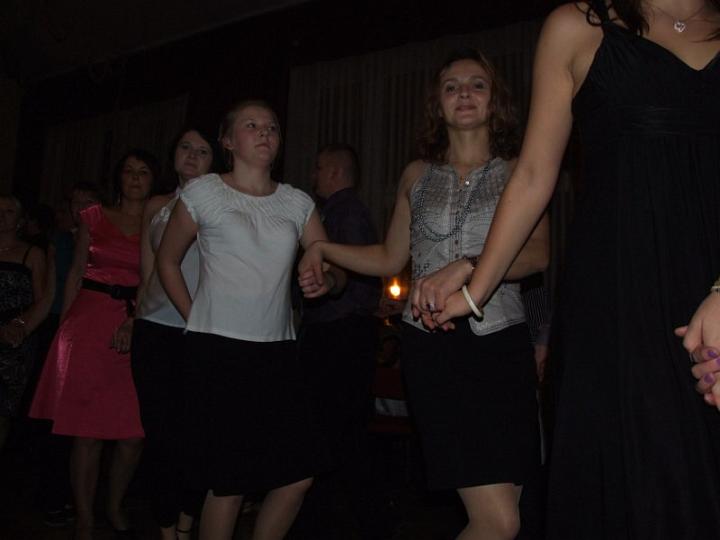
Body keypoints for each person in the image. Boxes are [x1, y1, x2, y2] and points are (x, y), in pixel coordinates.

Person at [427, 2, 720, 538]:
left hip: (712, 284)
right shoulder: (576, 26)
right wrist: (475, 288)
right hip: (617, 298)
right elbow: (534, 175)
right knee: (632, 487)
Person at [300, 49, 549, 540]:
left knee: (511, 514)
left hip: (504, 346)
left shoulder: (519, 170)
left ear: (495, 99)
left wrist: (469, 265)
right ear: (438, 103)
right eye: (451, 86)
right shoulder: (416, 174)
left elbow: (538, 254)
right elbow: (390, 258)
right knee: (499, 522)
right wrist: (323, 247)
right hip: (435, 346)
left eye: (477, 84)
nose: (464, 94)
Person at [156, 99, 344, 540]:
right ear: (227, 141)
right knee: (230, 482)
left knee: (298, 474)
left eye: (272, 127)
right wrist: (195, 318)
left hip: (278, 352)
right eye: (252, 125)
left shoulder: (296, 202)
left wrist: (326, 280)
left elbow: (334, 268)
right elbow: (167, 261)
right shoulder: (204, 192)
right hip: (216, 351)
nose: (264, 133)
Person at [30, 149, 157, 539]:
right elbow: (74, 274)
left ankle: (114, 505)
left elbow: (158, 279)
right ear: (118, 177)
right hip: (88, 321)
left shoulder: (160, 221)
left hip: (136, 320)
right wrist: (63, 330)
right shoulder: (93, 216)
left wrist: (136, 321)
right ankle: (85, 516)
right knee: (86, 431)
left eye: (143, 172)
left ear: (154, 180)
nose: (135, 178)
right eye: (129, 171)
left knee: (133, 434)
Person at [291, 143, 381, 539]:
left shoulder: (346, 213)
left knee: (339, 430)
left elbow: (352, 275)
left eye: (318, 168)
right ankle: (333, 517)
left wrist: (330, 285)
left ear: (335, 172)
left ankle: (362, 519)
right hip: (338, 334)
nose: (313, 176)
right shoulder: (337, 212)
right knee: (335, 430)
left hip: (340, 336)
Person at [130, 127, 216, 540]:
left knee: (197, 434)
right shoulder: (156, 205)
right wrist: (133, 319)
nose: (193, 155)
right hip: (154, 330)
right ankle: (167, 528)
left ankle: (186, 522)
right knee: (159, 435)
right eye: (185, 147)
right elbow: (147, 273)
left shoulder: (220, 206)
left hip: (200, 331)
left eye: (203, 150)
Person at [0, 194, 48, 452]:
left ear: (20, 220)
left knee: (4, 408)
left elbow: (42, 299)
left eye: (8, 211)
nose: (2, 216)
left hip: (14, 337)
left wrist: (19, 324)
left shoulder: (32, 253)